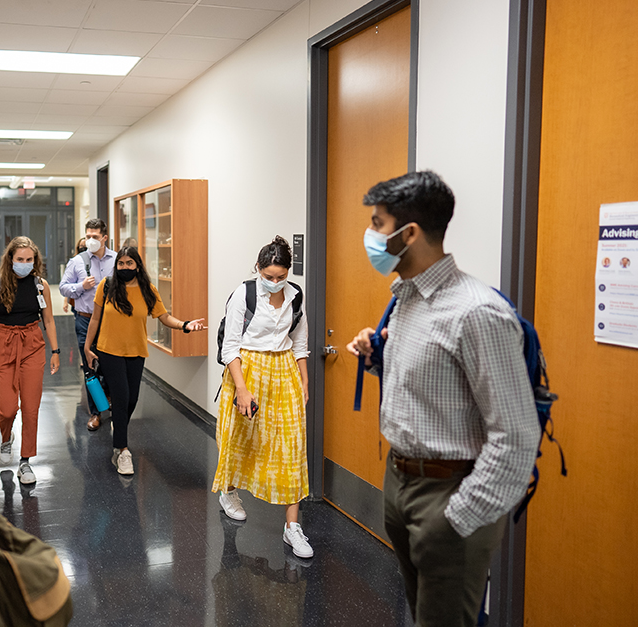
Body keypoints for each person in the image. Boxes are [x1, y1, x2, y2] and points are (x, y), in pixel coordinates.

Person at [345, 170, 540, 627]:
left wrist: (458, 518)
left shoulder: (476, 313)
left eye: (377, 223)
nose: (370, 235)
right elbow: (431, 385)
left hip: (450, 495)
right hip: (401, 482)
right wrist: (378, 359)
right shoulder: (407, 297)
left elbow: (516, 435)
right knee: (422, 615)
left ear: (409, 234)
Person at [212, 236, 313, 559]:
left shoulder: (295, 296)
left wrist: (304, 380)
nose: (274, 282)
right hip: (247, 367)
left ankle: (292, 526)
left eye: (280, 276)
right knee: (238, 437)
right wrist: (241, 388)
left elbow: (299, 342)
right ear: (258, 269)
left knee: (292, 444)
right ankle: (228, 493)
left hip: (284, 370)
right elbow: (230, 346)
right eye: (268, 276)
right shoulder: (244, 293)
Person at [84, 246, 205, 475]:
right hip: (109, 351)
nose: (125, 267)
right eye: (121, 263)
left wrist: (185, 325)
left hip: (136, 352)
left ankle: (118, 425)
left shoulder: (148, 290)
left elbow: (164, 316)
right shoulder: (106, 286)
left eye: (130, 263)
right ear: (116, 265)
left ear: (138, 266)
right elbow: (95, 318)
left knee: (131, 400)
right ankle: (122, 451)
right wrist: (87, 347)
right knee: (121, 397)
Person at [0, 236, 60, 485]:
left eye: (29, 260)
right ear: (10, 259)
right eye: (20, 259)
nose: (24, 263)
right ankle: (6, 436)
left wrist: (56, 351)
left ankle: (25, 462)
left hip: (32, 342)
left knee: (31, 407)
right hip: (5, 343)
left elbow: (49, 320)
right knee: (7, 407)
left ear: (35, 261)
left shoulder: (41, 285)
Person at [59, 219, 117, 431]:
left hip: (111, 321)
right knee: (90, 365)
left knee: (111, 364)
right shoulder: (77, 262)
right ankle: (95, 413)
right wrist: (80, 287)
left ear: (104, 238)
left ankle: (110, 400)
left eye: (95, 236)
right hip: (85, 319)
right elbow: (63, 288)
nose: (90, 240)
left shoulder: (117, 260)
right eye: (88, 236)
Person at [62, 237, 88, 313]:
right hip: (76, 298)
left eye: (85, 246)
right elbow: (68, 284)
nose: (83, 248)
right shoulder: (74, 262)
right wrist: (65, 302)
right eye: (81, 246)